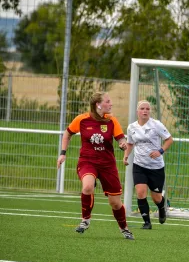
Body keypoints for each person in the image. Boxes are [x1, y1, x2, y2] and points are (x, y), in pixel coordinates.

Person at [56, 91, 134, 240]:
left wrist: (123, 144)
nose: (111, 104)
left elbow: (120, 138)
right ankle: (85, 220)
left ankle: (124, 228)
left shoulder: (111, 120)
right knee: (87, 186)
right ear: (98, 105)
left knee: (115, 203)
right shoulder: (82, 119)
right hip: (87, 161)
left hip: (107, 165)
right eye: (108, 101)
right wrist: (62, 153)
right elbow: (67, 134)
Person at [123, 100, 174, 229]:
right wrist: (125, 156)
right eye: (142, 108)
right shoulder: (131, 127)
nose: (145, 111)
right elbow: (130, 143)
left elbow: (169, 139)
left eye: (147, 109)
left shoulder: (156, 125)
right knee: (140, 192)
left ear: (150, 111)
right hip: (139, 165)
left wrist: (160, 151)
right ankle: (147, 222)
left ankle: (162, 207)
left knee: (156, 197)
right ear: (137, 111)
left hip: (156, 167)